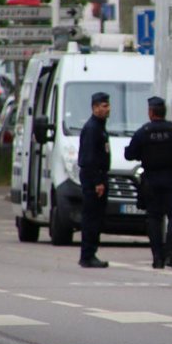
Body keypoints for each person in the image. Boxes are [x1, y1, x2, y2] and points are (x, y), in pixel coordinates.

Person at [125, 96, 172, 269]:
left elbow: (129, 155)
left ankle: (157, 257)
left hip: (150, 181)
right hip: (171, 179)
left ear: (150, 112)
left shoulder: (143, 132)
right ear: (164, 112)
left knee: (154, 218)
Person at [78, 91, 112, 268]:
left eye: (108, 105)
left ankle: (91, 253)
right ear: (95, 108)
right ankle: (87, 255)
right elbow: (90, 159)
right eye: (104, 106)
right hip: (93, 180)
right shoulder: (92, 128)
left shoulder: (100, 126)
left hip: (98, 177)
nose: (108, 109)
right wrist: (97, 181)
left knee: (97, 218)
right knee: (91, 218)